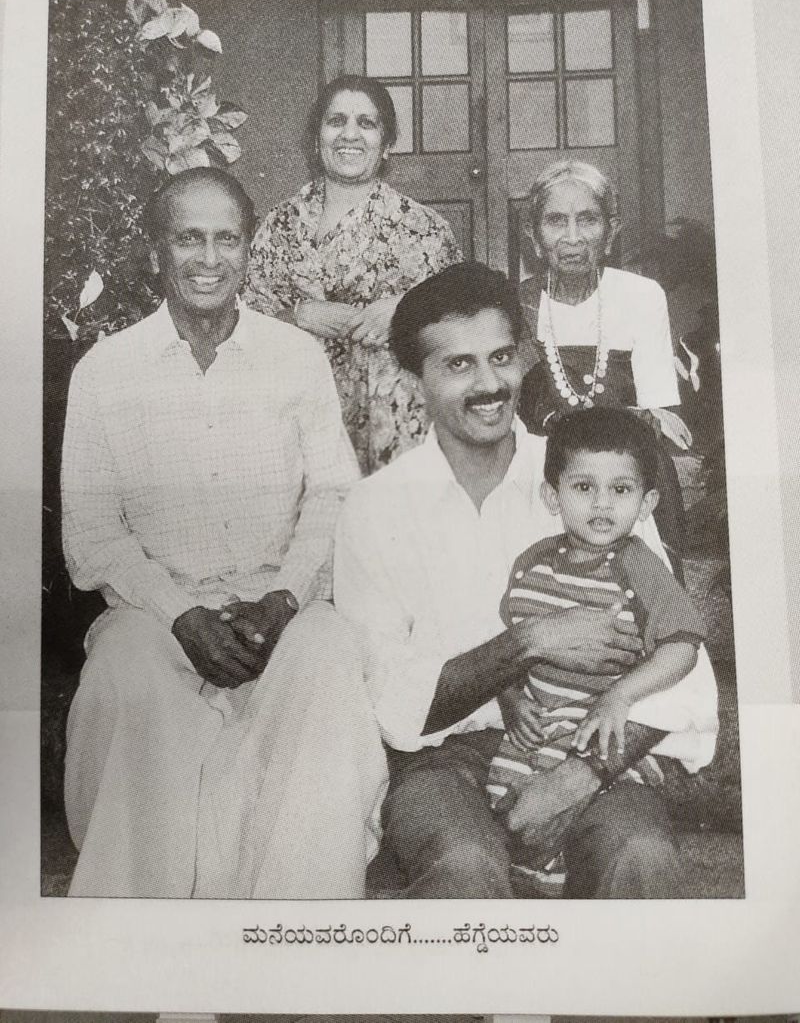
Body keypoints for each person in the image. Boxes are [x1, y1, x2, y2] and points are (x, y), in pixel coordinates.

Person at [334, 261, 718, 900]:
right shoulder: (375, 508)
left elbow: (689, 672)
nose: (488, 385)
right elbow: (393, 704)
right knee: (463, 865)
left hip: (595, 743)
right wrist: (527, 644)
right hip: (444, 759)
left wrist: (580, 774)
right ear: (415, 378)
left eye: (501, 358)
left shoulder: (591, 479)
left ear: (530, 356)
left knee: (639, 854)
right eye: (458, 366)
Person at [62, 167, 386, 899]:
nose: (209, 258)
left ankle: (294, 933)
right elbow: (90, 532)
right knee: (123, 670)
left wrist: (283, 597)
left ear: (247, 252)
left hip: (277, 605)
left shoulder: (294, 357)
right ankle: (144, 943)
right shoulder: (105, 372)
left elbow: (334, 491)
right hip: (155, 614)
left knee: (332, 651)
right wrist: (180, 614)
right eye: (188, 238)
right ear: (155, 253)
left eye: (226, 239)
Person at [486, 406, 707, 896]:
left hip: (604, 736)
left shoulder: (638, 566)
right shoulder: (532, 564)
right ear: (552, 495)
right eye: (584, 488)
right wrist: (510, 697)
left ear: (647, 502)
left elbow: (684, 646)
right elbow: (510, 647)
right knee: (507, 806)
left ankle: (564, 898)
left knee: (584, 816)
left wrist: (621, 696)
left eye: (621, 490)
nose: (602, 505)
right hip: (536, 729)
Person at [243, 75, 462, 473]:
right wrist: (299, 315)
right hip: (295, 427)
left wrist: (407, 308)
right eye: (336, 120)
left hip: (394, 437)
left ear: (388, 144)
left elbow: (463, 335)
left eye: (367, 123)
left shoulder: (425, 230)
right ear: (316, 138)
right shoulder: (279, 225)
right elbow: (244, 327)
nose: (349, 134)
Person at [517, 159, 690, 570]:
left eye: (588, 220)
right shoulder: (517, 305)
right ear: (534, 236)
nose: (573, 237)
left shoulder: (642, 297)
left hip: (626, 475)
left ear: (610, 231)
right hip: (544, 481)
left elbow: (659, 418)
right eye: (556, 221)